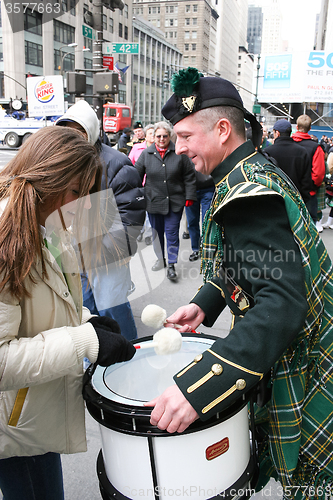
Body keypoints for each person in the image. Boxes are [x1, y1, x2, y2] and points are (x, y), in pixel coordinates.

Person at [146, 68, 333, 496]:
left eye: (186, 136)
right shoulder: (251, 169)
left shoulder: (246, 192)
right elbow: (249, 264)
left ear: (223, 129)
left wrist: (200, 388)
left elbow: (281, 303)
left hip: (310, 370)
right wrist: (205, 304)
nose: (179, 148)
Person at [0, 126, 135, 500]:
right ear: (47, 178)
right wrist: (83, 341)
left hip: (32, 416)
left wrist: (89, 322)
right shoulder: (6, 236)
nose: (85, 205)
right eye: (78, 192)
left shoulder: (49, 225)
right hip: (13, 426)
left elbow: (45, 308)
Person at [56, 100, 145, 341]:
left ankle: (127, 357)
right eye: (66, 129)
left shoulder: (116, 163)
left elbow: (132, 215)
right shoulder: (61, 162)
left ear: (91, 131)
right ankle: (92, 362)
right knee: (83, 312)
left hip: (106, 257)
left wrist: (109, 253)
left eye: (78, 130)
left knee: (114, 312)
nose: (71, 136)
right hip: (73, 254)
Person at [134, 121, 197, 281]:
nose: (162, 139)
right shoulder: (146, 154)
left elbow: (189, 176)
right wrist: (138, 196)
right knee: (157, 234)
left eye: (165, 136)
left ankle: (171, 264)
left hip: (174, 202)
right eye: (158, 136)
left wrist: (189, 196)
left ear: (170, 136)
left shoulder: (179, 154)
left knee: (172, 234)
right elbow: (136, 177)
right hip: (153, 202)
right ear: (154, 137)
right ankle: (160, 259)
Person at [265, 119, 312, 205]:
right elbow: (306, 181)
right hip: (296, 201)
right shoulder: (302, 152)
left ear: (277, 133)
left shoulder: (267, 152)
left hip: (273, 202)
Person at [292, 114, 325, 229]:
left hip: (289, 192)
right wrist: (311, 188)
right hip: (309, 195)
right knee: (309, 228)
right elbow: (319, 174)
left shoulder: (288, 144)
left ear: (296, 127)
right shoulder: (316, 148)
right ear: (310, 128)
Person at [129, 124, 155, 246]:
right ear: (146, 135)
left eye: (154, 133)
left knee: (150, 211)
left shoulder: (159, 149)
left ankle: (149, 234)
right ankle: (139, 230)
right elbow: (130, 163)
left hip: (152, 185)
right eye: (150, 133)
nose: (153, 136)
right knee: (140, 210)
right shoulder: (137, 148)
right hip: (139, 184)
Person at [185, 170, 214, 261]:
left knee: (207, 221)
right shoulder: (182, 155)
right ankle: (196, 248)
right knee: (192, 221)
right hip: (189, 189)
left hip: (208, 186)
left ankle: (207, 248)